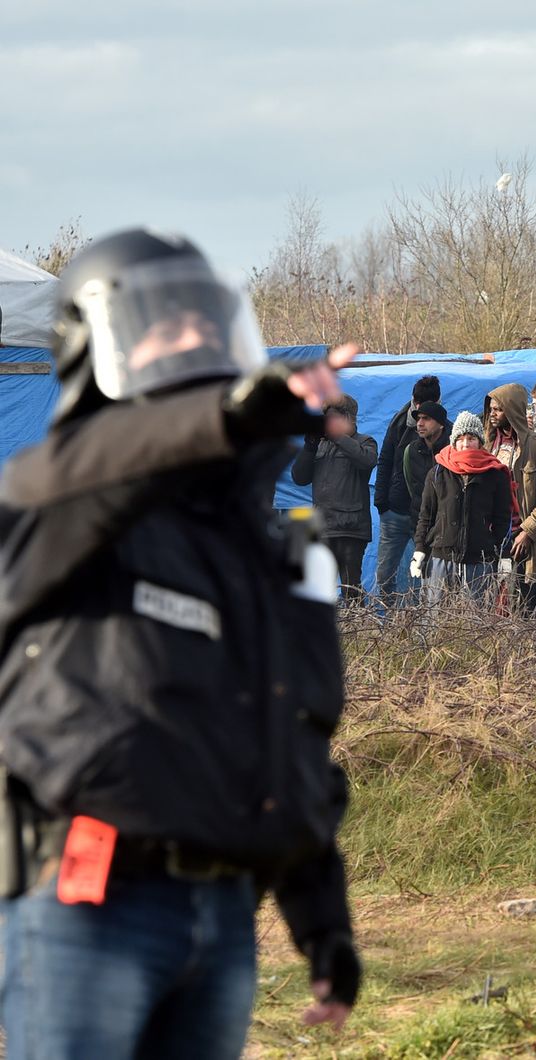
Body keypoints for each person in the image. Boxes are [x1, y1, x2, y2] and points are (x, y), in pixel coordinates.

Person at [0, 228, 359, 1057]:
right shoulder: (59, 502)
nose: (194, 336)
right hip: (86, 901)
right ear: (93, 346)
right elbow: (94, 465)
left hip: (225, 916)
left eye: (208, 319)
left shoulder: (268, 546)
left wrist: (321, 918)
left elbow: (292, 730)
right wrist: (223, 418)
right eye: (164, 321)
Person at [411, 411, 513, 604]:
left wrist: (504, 556)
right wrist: (419, 549)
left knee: (477, 619)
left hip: (479, 560)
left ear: (480, 441)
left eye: (471, 438)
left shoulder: (495, 474)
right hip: (441, 558)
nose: (466, 444)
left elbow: (502, 519)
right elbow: (426, 516)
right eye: (461, 439)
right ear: (453, 441)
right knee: (437, 618)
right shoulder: (438, 472)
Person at [483, 383, 536, 613]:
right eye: (492, 409)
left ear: (513, 410)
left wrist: (528, 531)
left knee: (526, 612)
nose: (493, 414)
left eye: (499, 409)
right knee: (492, 611)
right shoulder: (487, 446)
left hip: (525, 541)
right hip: (491, 540)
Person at [291, 394, 378, 603]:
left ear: (348, 418)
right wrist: (310, 445)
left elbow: (366, 462)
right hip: (322, 527)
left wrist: (338, 436)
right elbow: (299, 478)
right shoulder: (321, 446)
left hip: (351, 529)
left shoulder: (365, 442)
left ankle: (357, 630)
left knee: (350, 588)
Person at [373, 374, 440, 604]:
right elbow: (385, 460)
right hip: (394, 510)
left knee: (421, 575)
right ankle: (392, 621)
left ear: (438, 402)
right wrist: (382, 500)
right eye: (417, 403)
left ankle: (414, 625)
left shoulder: (444, 432)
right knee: (384, 576)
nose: (419, 411)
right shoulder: (399, 422)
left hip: (424, 517)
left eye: (425, 405)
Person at [403, 401, 448, 512]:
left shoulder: (453, 450)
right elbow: (410, 485)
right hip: (419, 519)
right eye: (418, 419)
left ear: (441, 424)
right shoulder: (411, 450)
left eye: (426, 418)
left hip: (446, 522)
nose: (420, 423)